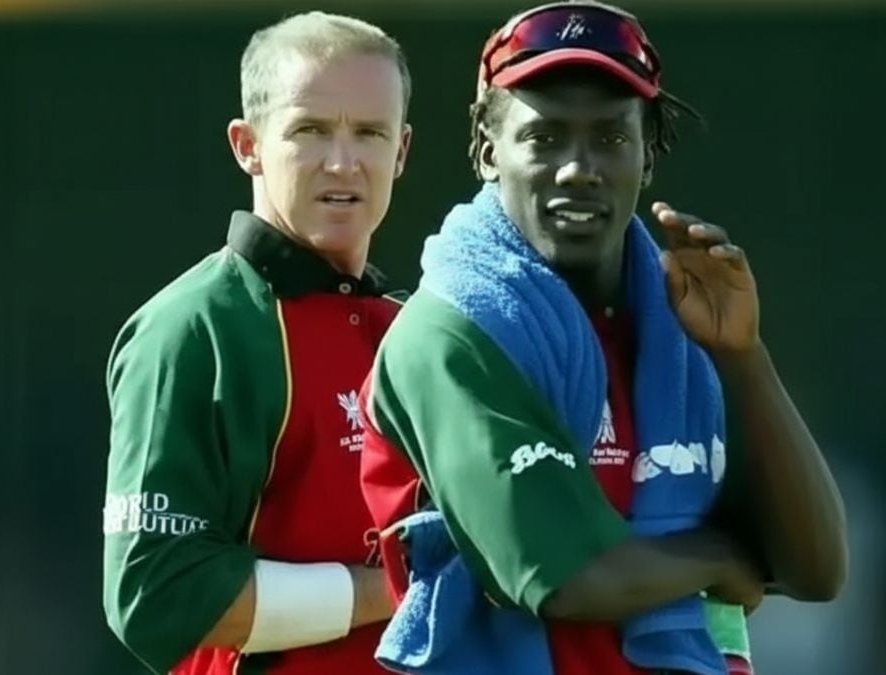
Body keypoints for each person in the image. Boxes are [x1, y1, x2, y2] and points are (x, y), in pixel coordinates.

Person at [359, 2, 847, 674]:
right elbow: (565, 577)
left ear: (650, 154)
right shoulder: (453, 332)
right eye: (544, 137)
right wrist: (720, 555)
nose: (578, 168)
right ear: (486, 147)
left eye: (611, 139)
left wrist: (743, 356)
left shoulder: (678, 325)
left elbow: (816, 570)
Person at [102, 11, 413, 675]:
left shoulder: (417, 331)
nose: (343, 160)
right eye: (309, 130)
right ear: (248, 145)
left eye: (369, 132)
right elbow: (155, 593)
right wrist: (389, 589)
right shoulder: (191, 327)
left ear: (402, 150)